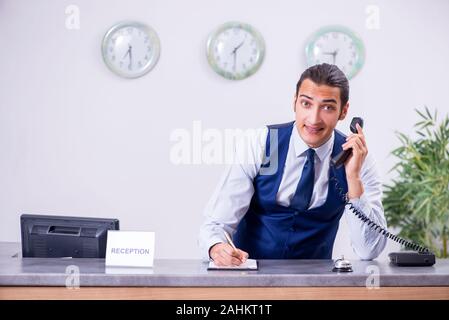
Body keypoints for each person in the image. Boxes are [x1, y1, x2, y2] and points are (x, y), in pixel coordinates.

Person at [199, 63, 387, 266]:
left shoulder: (358, 159)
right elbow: (216, 224)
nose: (314, 119)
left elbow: (369, 250)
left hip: (316, 287)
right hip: (249, 278)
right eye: (306, 104)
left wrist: (353, 179)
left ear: (344, 111)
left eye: (327, 107)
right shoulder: (262, 143)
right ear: (295, 102)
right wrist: (216, 247)